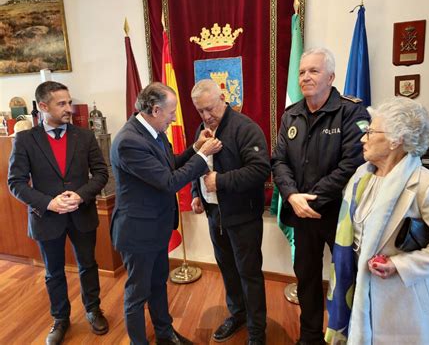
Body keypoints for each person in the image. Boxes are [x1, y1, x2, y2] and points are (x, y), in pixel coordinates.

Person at [325, 97, 429, 344]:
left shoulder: (426, 184)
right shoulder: (361, 177)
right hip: (359, 287)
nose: (363, 138)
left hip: (401, 301)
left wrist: (399, 265)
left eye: (370, 131)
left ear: (396, 139)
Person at [110, 82, 222, 345]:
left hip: (156, 227)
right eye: (172, 112)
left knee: (159, 283)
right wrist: (204, 156)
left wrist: (195, 149)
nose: (175, 118)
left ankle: (165, 333)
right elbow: (169, 182)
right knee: (137, 293)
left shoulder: (153, 132)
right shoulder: (129, 141)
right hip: (137, 232)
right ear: (156, 109)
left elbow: (167, 166)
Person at [271, 47, 370, 345]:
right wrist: (291, 196)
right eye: (302, 72)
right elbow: (279, 161)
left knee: (346, 279)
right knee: (307, 277)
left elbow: (352, 164)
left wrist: (308, 198)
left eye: (313, 71)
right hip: (301, 213)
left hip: (338, 215)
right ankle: (310, 336)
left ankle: (347, 336)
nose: (305, 77)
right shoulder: (291, 115)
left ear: (331, 77)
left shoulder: (352, 111)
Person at [8, 81, 109, 345]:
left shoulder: (84, 136)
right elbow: (15, 183)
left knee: (88, 265)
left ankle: (93, 309)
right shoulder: (26, 140)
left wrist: (81, 194)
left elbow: (101, 173)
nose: (70, 109)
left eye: (69, 102)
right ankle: (60, 318)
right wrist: (48, 203)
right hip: (47, 217)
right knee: (53, 272)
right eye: (62, 104)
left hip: (81, 213)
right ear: (43, 107)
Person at [190, 79, 270, 345]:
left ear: (222, 98)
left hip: (243, 217)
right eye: (200, 111)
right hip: (216, 216)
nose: (206, 116)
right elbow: (196, 165)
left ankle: (257, 331)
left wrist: (220, 182)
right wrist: (196, 194)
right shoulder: (202, 130)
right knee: (227, 270)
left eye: (210, 109)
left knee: (249, 274)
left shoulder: (246, 128)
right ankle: (237, 315)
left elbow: (260, 171)